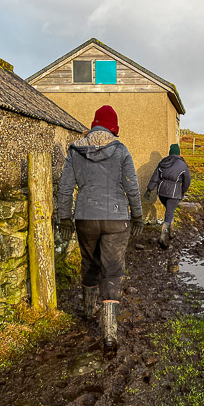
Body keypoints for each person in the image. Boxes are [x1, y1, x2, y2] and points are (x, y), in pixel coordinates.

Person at [57, 105, 143, 351]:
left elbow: (65, 189)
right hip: (117, 219)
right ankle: (109, 334)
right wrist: (137, 216)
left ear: (94, 125)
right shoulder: (121, 151)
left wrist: (65, 218)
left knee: (89, 264)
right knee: (112, 271)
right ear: (114, 128)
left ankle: (87, 311)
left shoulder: (75, 151)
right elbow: (132, 187)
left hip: (85, 218)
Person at [144, 143, 191, 248]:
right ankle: (162, 236)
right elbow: (187, 181)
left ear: (170, 152)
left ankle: (171, 233)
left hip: (161, 192)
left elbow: (155, 176)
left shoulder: (163, 162)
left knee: (170, 211)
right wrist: (183, 191)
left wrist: (149, 189)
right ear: (178, 153)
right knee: (169, 213)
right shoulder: (182, 164)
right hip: (174, 193)